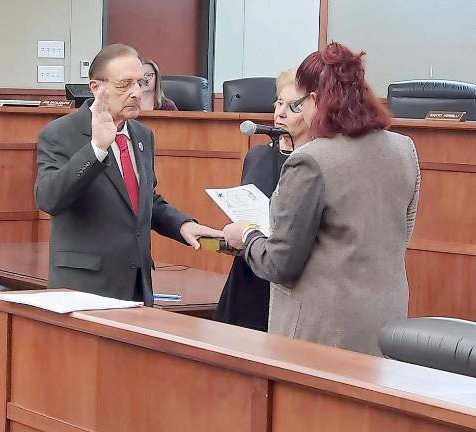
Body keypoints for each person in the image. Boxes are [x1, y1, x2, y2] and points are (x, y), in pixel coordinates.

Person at [223, 42, 421, 356]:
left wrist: (246, 236)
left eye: (299, 104)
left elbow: (279, 263)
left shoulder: (310, 160)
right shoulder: (404, 149)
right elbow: (402, 234)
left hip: (321, 334)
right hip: (386, 325)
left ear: (314, 100)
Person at [35, 44, 221, 305]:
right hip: (82, 289)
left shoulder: (142, 135)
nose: (136, 93)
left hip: (137, 286)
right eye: (125, 85)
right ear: (96, 87)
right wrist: (96, 149)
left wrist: (183, 225)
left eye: (141, 83)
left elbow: (144, 199)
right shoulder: (60, 134)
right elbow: (49, 198)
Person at [214, 69, 311, 331]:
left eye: (292, 106)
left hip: (288, 279)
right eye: (279, 103)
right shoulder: (258, 155)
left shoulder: (315, 164)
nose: (280, 113)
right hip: (248, 274)